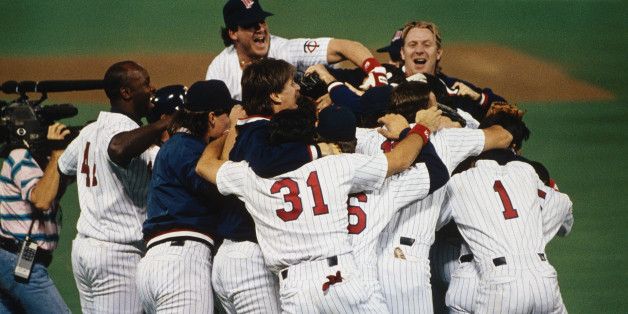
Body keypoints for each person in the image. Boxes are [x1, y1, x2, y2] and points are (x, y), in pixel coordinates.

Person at [196, 103, 442, 313]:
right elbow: (401, 159)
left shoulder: (249, 176)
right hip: (339, 278)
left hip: (294, 290)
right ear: (311, 137)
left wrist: (227, 133)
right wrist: (420, 129)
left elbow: (204, 165)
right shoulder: (335, 165)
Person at [371, 81, 513, 313]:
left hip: (365, 259)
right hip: (407, 263)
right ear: (425, 113)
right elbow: (504, 137)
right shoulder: (446, 141)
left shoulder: (370, 139)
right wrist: (457, 124)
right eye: (436, 107)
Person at [58, 60, 169, 314]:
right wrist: (165, 123)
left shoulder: (89, 131)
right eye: (145, 83)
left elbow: (63, 168)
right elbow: (118, 148)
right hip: (117, 255)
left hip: (85, 249)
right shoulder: (126, 132)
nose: (152, 88)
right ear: (126, 92)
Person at [440, 111, 572, 313]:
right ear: (515, 148)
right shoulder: (528, 173)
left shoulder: (460, 179)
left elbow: (436, 222)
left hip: (485, 278)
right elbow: (563, 210)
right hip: (542, 276)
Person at [136, 80, 237, 313]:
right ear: (212, 118)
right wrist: (232, 136)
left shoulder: (177, 146)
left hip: (163, 261)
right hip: (181, 261)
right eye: (227, 116)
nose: (229, 122)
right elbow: (220, 187)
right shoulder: (188, 148)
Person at [206, 0, 387, 101]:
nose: (260, 28)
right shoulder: (220, 67)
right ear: (233, 33)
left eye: (262, 21)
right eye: (250, 25)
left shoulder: (285, 49)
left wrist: (376, 70)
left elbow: (344, 47)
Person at [0, 122, 71, 313]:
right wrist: (57, 154)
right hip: (18, 260)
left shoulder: (38, 161)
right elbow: (41, 200)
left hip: (11, 258)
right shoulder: (20, 158)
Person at [397, 20, 506, 120]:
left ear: (438, 52)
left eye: (426, 45)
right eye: (412, 45)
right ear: (402, 53)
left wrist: (479, 98)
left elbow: (511, 113)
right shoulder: (387, 83)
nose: (419, 50)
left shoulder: (454, 90)